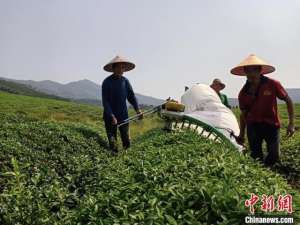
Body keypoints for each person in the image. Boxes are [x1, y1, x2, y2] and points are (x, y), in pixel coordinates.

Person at [231, 54, 295, 166]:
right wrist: (242, 134)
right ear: (245, 73)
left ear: (260, 70)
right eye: (248, 71)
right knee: (256, 157)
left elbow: (288, 100)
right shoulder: (243, 93)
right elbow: (243, 115)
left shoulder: (273, 84)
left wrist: (291, 123)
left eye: (253, 70)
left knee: (274, 155)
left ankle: (268, 171)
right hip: (253, 126)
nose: (250, 74)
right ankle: (262, 176)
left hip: (272, 124)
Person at [102, 55, 143, 153]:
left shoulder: (125, 81)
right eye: (119, 67)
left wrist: (138, 110)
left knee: (126, 141)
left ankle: (126, 159)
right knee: (113, 143)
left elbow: (132, 97)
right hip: (110, 117)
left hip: (123, 116)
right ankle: (114, 158)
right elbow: (105, 101)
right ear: (113, 68)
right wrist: (112, 116)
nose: (122, 70)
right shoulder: (107, 82)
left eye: (123, 67)